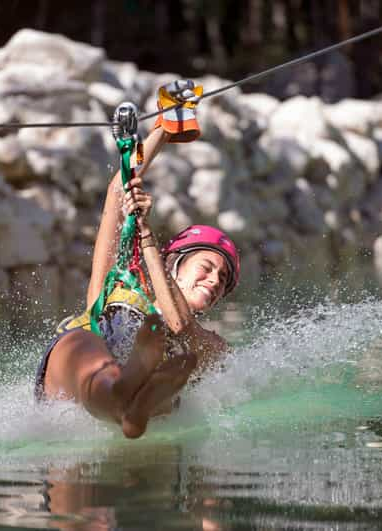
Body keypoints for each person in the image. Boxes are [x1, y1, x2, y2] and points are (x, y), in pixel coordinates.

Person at [34, 80, 241, 439]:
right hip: (75, 371)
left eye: (222, 280)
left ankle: (135, 395)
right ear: (174, 262)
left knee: (175, 370)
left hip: (147, 379)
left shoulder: (213, 345)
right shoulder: (119, 280)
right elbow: (118, 190)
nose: (214, 280)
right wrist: (163, 129)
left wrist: (146, 237)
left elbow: (181, 327)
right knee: (87, 350)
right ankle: (123, 390)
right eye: (207, 267)